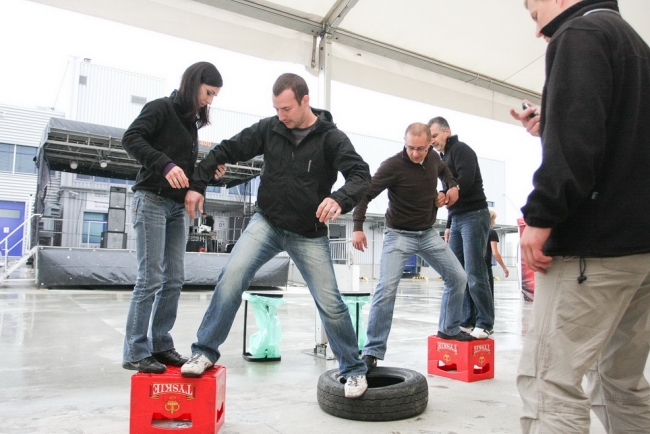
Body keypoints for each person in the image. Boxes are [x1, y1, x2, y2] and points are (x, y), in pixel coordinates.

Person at [181, 73, 371, 399]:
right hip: (267, 223)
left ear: (305, 101)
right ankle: (204, 351)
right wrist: (198, 183)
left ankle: (353, 370)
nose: (281, 116)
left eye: (286, 109)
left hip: (308, 232)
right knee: (231, 277)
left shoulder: (331, 138)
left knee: (331, 303)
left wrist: (340, 199)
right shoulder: (270, 128)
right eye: (277, 109)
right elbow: (227, 148)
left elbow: (360, 175)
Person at [513, 1, 650, 432]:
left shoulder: (580, 35)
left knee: (550, 385)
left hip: (592, 250)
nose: (538, 31)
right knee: (620, 382)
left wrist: (541, 215)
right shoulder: (635, 45)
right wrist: (552, 122)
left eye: (533, 13)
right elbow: (618, 134)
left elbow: (577, 141)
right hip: (639, 248)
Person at [121, 62, 226, 373]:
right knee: (150, 279)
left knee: (174, 279)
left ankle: (160, 344)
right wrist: (164, 165)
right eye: (208, 92)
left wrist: (210, 172)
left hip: (176, 207)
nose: (209, 100)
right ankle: (135, 350)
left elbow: (184, 171)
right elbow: (131, 139)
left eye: (214, 95)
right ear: (194, 83)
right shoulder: (160, 108)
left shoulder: (191, 124)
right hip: (151, 200)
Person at [352, 122, 473, 371]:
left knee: (458, 277)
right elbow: (366, 194)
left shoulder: (433, 160)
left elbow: (446, 171)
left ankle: (449, 329)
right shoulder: (392, 166)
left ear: (430, 145)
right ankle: (372, 350)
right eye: (410, 148)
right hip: (398, 235)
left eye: (420, 149)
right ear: (404, 143)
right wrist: (357, 227)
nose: (415, 153)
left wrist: (451, 187)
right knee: (386, 289)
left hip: (427, 234)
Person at [427, 117, 493, 339]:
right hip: (456, 219)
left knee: (475, 271)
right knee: (457, 272)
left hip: (474, 215)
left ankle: (485, 322)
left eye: (434, 135)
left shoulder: (461, 150)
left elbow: (466, 179)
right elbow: (449, 191)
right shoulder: (442, 158)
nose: (432, 141)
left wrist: (451, 190)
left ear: (447, 131)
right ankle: (466, 319)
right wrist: (448, 224)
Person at [485, 209, 509, 300]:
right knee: (488, 295)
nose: (494, 222)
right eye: (493, 219)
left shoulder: (473, 232)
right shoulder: (491, 232)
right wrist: (504, 267)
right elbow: (495, 253)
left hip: (471, 266)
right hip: (486, 266)